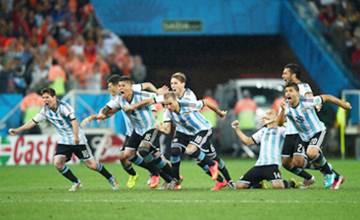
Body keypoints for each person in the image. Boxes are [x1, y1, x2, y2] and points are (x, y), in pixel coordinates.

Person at [8, 88, 119, 192]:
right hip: (64, 141)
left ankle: (111, 178)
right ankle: (76, 182)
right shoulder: (45, 111)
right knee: (58, 163)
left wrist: (75, 137)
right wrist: (18, 130)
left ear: (54, 97)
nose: (45, 100)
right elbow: (32, 122)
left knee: (92, 165)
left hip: (78, 140)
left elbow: (74, 122)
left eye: (47, 97)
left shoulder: (64, 107)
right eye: (43, 97)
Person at [81, 75, 168, 189]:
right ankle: (138, 174)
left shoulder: (133, 89)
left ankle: (166, 175)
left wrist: (156, 92)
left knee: (148, 154)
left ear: (117, 86)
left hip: (145, 128)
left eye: (110, 86)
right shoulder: (118, 99)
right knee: (125, 156)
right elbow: (108, 110)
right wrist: (96, 116)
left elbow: (147, 86)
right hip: (133, 131)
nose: (108, 89)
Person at [280, 63, 343, 188]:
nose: (283, 76)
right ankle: (326, 172)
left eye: (285, 73)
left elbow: (310, 97)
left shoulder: (303, 86)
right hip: (289, 129)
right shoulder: (288, 89)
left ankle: (327, 173)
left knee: (300, 160)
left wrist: (316, 104)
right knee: (286, 163)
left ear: (293, 74)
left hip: (300, 130)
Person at [154, 92, 232, 190]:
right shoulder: (167, 112)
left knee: (195, 152)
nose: (168, 107)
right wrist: (160, 127)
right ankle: (176, 180)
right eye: (165, 104)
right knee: (174, 151)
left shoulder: (187, 104)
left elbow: (206, 102)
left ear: (176, 100)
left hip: (202, 130)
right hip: (184, 134)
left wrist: (219, 113)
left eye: (170, 104)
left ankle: (215, 167)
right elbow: (167, 129)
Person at [231, 109, 299, 189]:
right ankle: (258, 184)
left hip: (272, 165)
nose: (266, 115)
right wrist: (236, 128)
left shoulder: (281, 130)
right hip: (259, 165)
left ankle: (291, 183)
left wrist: (283, 111)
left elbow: (291, 134)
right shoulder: (262, 131)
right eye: (266, 113)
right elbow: (247, 141)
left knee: (278, 186)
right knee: (239, 186)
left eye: (270, 113)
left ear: (276, 117)